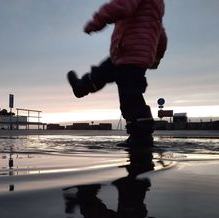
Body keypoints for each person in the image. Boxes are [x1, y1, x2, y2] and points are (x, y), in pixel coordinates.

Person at [67, 0, 167, 147]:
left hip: (129, 52)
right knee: (104, 73)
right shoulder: (155, 8)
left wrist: (97, 21)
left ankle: (141, 137)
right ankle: (81, 86)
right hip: (129, 56)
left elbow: (121, 6)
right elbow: (161, 33)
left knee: (130, 97)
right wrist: (156, 55)